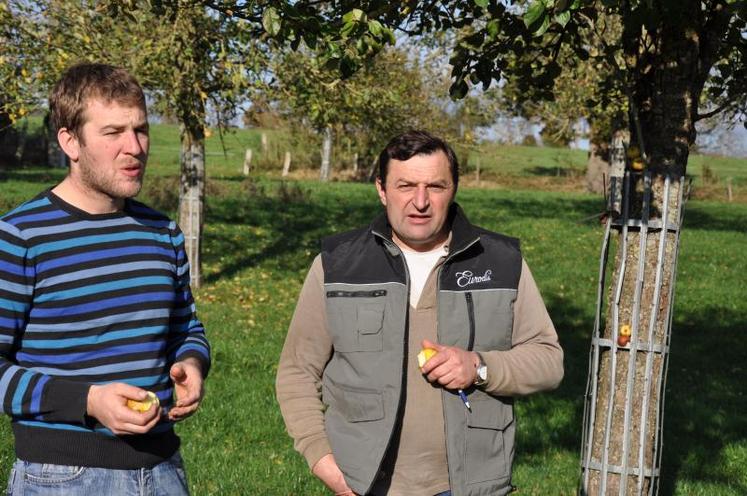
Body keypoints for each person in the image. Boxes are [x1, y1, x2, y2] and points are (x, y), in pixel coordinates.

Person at [276, 130, 563, 496]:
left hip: (469, 486)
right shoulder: (336, 266)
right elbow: (297, 372)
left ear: (454, 188)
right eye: (406, 185)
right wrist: (322, 460)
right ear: (382, 189)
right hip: (365, 484)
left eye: (436, 186)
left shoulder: (501, 262)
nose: (420, 201)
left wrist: (479, 367)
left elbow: (549, 361)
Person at [0, 63, 210, 495]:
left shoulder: (163, 231)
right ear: (70, 142)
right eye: (113, 132)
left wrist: (191, 363)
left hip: (163, 470)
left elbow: (187, 329)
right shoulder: (20, 237)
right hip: (60, 477)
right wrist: (89, 401)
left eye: (141, 130)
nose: (134, 147)